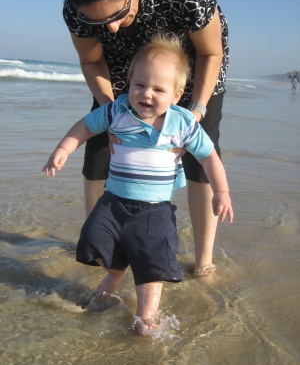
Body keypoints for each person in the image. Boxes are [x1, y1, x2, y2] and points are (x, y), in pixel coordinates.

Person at [43, 35, 233, 335]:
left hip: (153, 211)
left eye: (159, 89)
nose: (146, 94)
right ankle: (115, 275)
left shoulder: (182, 124)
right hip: (112, 202)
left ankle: (146, 316)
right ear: (129, 82)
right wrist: (63, 150)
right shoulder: (116, 112)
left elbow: (209, 156)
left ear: (176, 94)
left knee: (151, 264)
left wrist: (221, 192)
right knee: (96, 240)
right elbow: (85, 126)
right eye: (140, 85)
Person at [62, 0, 229, 278]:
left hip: (190, 68)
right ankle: (104, 247)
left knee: (199, 155)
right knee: (100, 146)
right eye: (98, 20)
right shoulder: (78, 7)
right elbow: (91, 61)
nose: (110, 28)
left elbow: (210, 52)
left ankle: (204, 262)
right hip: (126, 72)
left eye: (117, 14)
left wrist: (197, 111)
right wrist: (109, 109)